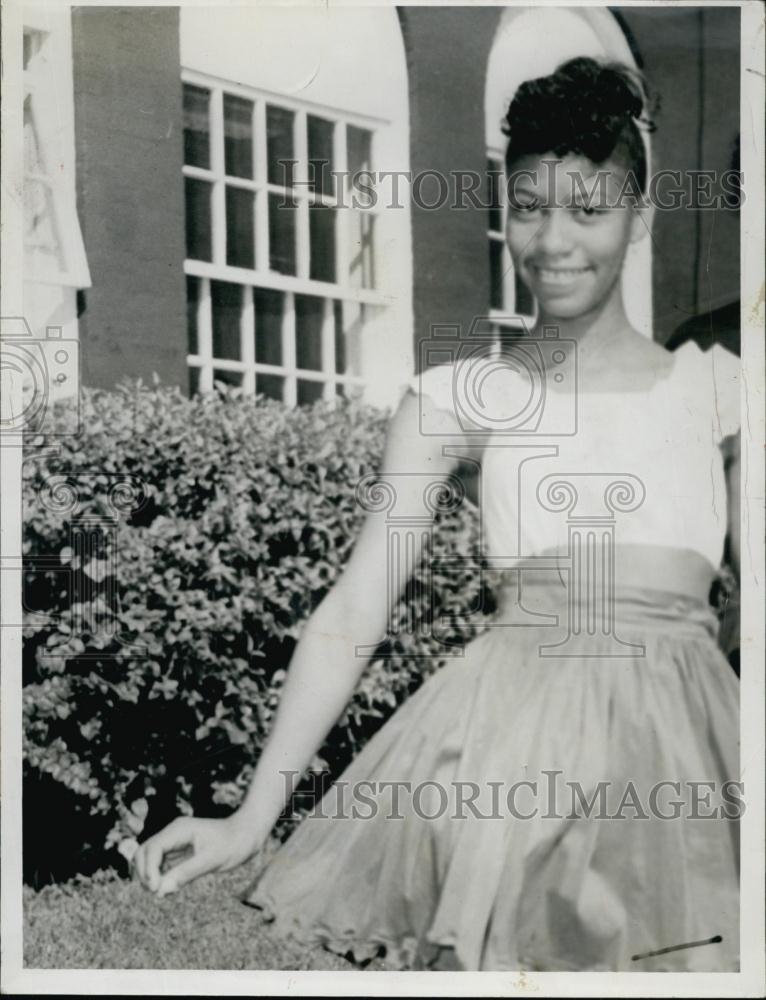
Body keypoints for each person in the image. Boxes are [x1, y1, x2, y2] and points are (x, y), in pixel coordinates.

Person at [134, 57, 741, 972]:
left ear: (641, 216)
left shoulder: (719, 393)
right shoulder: (459, 399)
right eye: (529, 207)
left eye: (589, 209)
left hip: (693, 765)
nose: (554, 240)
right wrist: (254, 813)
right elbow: (353, 612)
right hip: (509, 777)